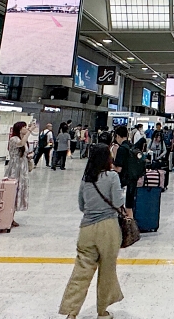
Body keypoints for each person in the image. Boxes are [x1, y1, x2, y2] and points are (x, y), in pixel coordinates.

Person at [58, 144, 124, 319]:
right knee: (107, 270)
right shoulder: (112, 177)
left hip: (86, 228)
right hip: (108, 228)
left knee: (81, 271)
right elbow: (117, 203)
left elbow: (81, 205)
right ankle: (102, 311)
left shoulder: (85, 179)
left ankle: (71, 312)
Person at [4, 121, 31, 226]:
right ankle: (8, 217)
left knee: (19, 191)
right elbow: (21, 144)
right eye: (24, 127)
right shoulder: (14, 139)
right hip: (15, 169)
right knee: (12, 191)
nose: (25, 129)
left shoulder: (21, 139)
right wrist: (30, 131)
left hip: (22, 168)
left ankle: (11, 217)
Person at [112, 126, 140, 212]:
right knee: (129, 205)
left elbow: (118, 169)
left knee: (117, 201)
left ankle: (123, 220)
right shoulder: (132, 146)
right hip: (133, 178)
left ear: (117, 136)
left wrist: (111, 165)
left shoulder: (121, 149)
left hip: (123, 179)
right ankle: (130, 222)